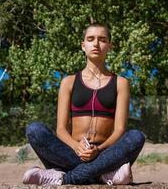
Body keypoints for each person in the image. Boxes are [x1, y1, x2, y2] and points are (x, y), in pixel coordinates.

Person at [22, 23, 145, 185]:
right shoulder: (68, 82)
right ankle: (102, 175)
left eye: (102, 39)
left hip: (105, 154)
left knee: (136, 136)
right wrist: (76, 146)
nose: (96, 44)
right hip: (72, 153)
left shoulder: (121, 83)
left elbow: (120, 130)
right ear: (83, 45)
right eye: (90, 39)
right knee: (34, 130)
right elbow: (61, 129)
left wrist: (98, 151)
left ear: (109, 46)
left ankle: (66, 178)